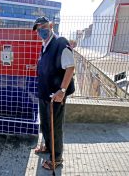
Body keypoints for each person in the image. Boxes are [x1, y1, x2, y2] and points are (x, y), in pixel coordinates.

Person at [33, 17, 75, 170]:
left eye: (43, 27)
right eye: (38, 29)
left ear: (51, 26)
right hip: (44, 93)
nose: (41, 31)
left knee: (54, 127)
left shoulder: (60, 42)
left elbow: (70, 67)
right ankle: (48, 148)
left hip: (55, 95)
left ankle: (56, 158)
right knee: (45, 124)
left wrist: (62, 91)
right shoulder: (45, 45)